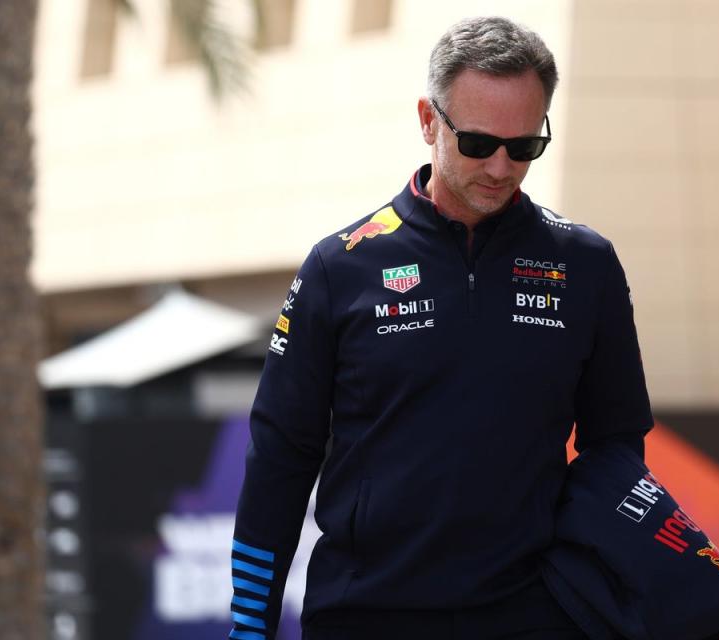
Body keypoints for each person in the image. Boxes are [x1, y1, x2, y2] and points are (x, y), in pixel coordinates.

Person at [229, 16, 653, 640]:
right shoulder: (339, 266)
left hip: (533, 618)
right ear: (429, 121)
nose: (503, 167)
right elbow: (280, 461)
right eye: (479, 144)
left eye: (526, 146)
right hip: (365, 616)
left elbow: (616, 450)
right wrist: (248, 628)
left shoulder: (585, 265)